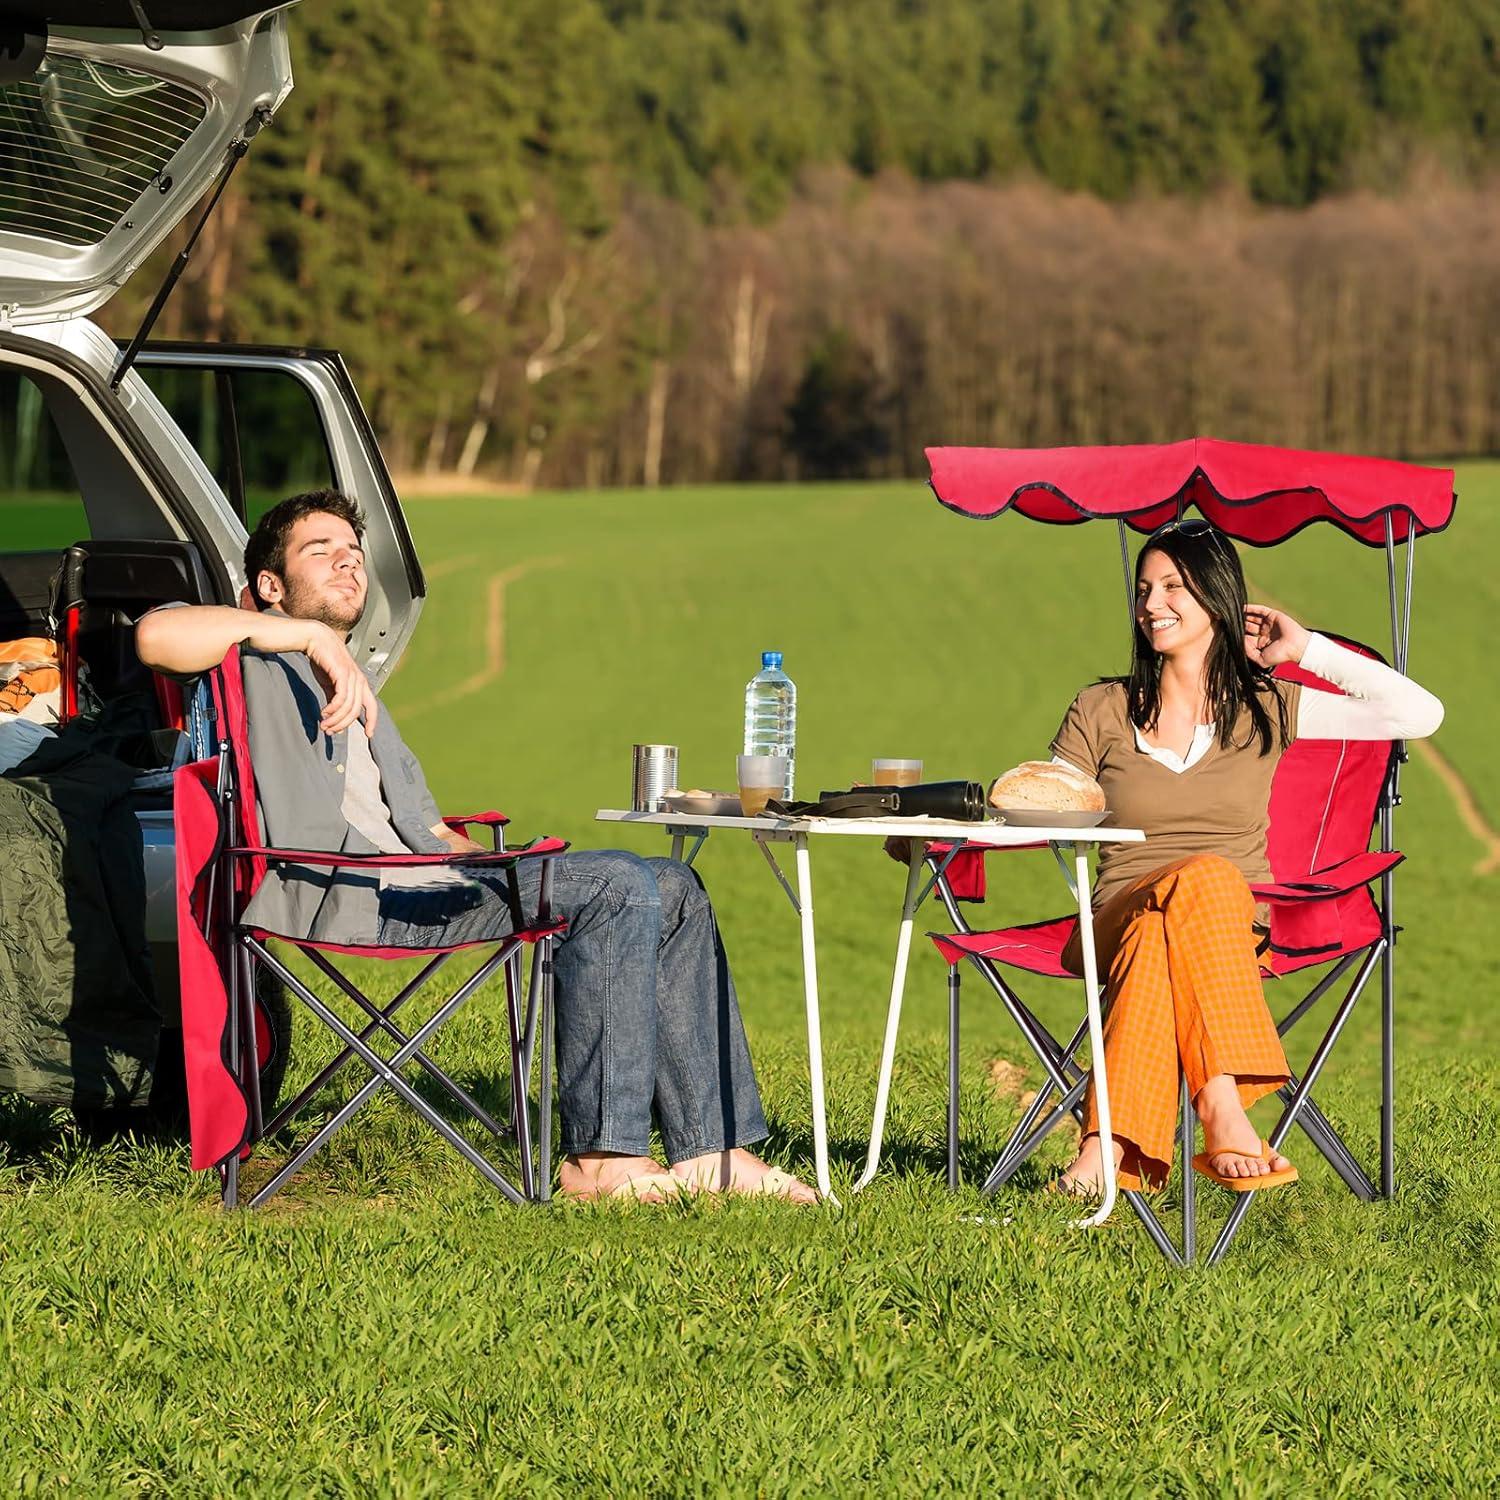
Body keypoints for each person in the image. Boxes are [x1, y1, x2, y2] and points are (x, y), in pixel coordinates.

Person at [136, 490, 815, 1205]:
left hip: (424, 876)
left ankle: (712, 1149)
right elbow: (156, 635)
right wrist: (305, 637)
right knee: (616, 882)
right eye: (320, 550)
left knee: (671, 887)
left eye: (355, 554)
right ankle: (600, 1163)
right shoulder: (255, 654)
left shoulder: (355, 684)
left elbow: (427, 830)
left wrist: (511, 863)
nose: (347, 562)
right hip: (345, 890)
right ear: (270, 585)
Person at [1042, 518, 1443, 1196]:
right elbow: (1045, 800)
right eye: (1143, 589)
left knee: (1166, 931)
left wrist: (1307, 648)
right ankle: (1222, 1103)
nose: (1151, 604)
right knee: (1197, 883)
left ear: (1218, 598)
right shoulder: (1102, 708)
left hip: (1222, 935)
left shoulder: (1269, 705)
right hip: (1113, 912)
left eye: (1174, 586)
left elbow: (1419, 714)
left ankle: (1101, 1158)